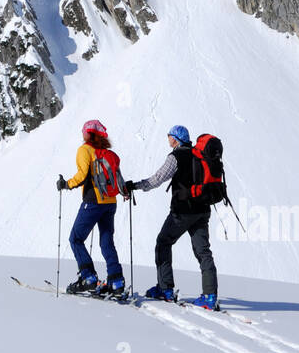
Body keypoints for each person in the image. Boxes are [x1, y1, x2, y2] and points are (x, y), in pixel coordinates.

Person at [126, 125, 219, 309]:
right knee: (203, 251)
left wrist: (135, 186)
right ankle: (209, 296)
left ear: (176, 139)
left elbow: (158, 178)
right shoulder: (198, 154)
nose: (168, 139)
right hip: (202, 210)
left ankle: (165, 288)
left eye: (169, 136)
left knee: (163, 242)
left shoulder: (176, 157)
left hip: (182, 211)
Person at [57, 119, 127, 297]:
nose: (82, 134)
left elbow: (82, 175)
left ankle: (88, 278)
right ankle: (116, 281)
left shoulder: (85, 150)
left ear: (89, 133)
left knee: (75, 238)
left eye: (83, 131)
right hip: (110, 202)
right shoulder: (105, 152)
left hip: (93, 201)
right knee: (106, 242)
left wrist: (66, 184)